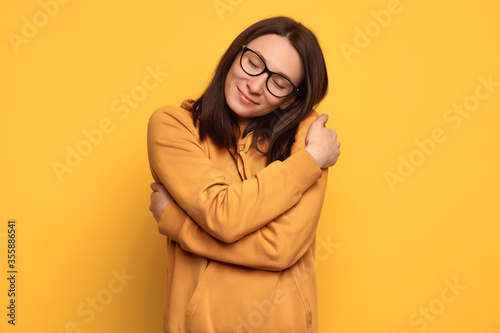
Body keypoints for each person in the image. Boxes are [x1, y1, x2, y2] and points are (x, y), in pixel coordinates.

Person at [147, 16, 341, 333]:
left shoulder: (307, 137)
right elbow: (223, 214)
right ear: (237, 53)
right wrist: (310, 161)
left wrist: (180, 226)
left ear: (291, 98)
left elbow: (280, 248)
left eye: (278, 82)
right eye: (253, 62)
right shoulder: (173, 126)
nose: (255, 85)